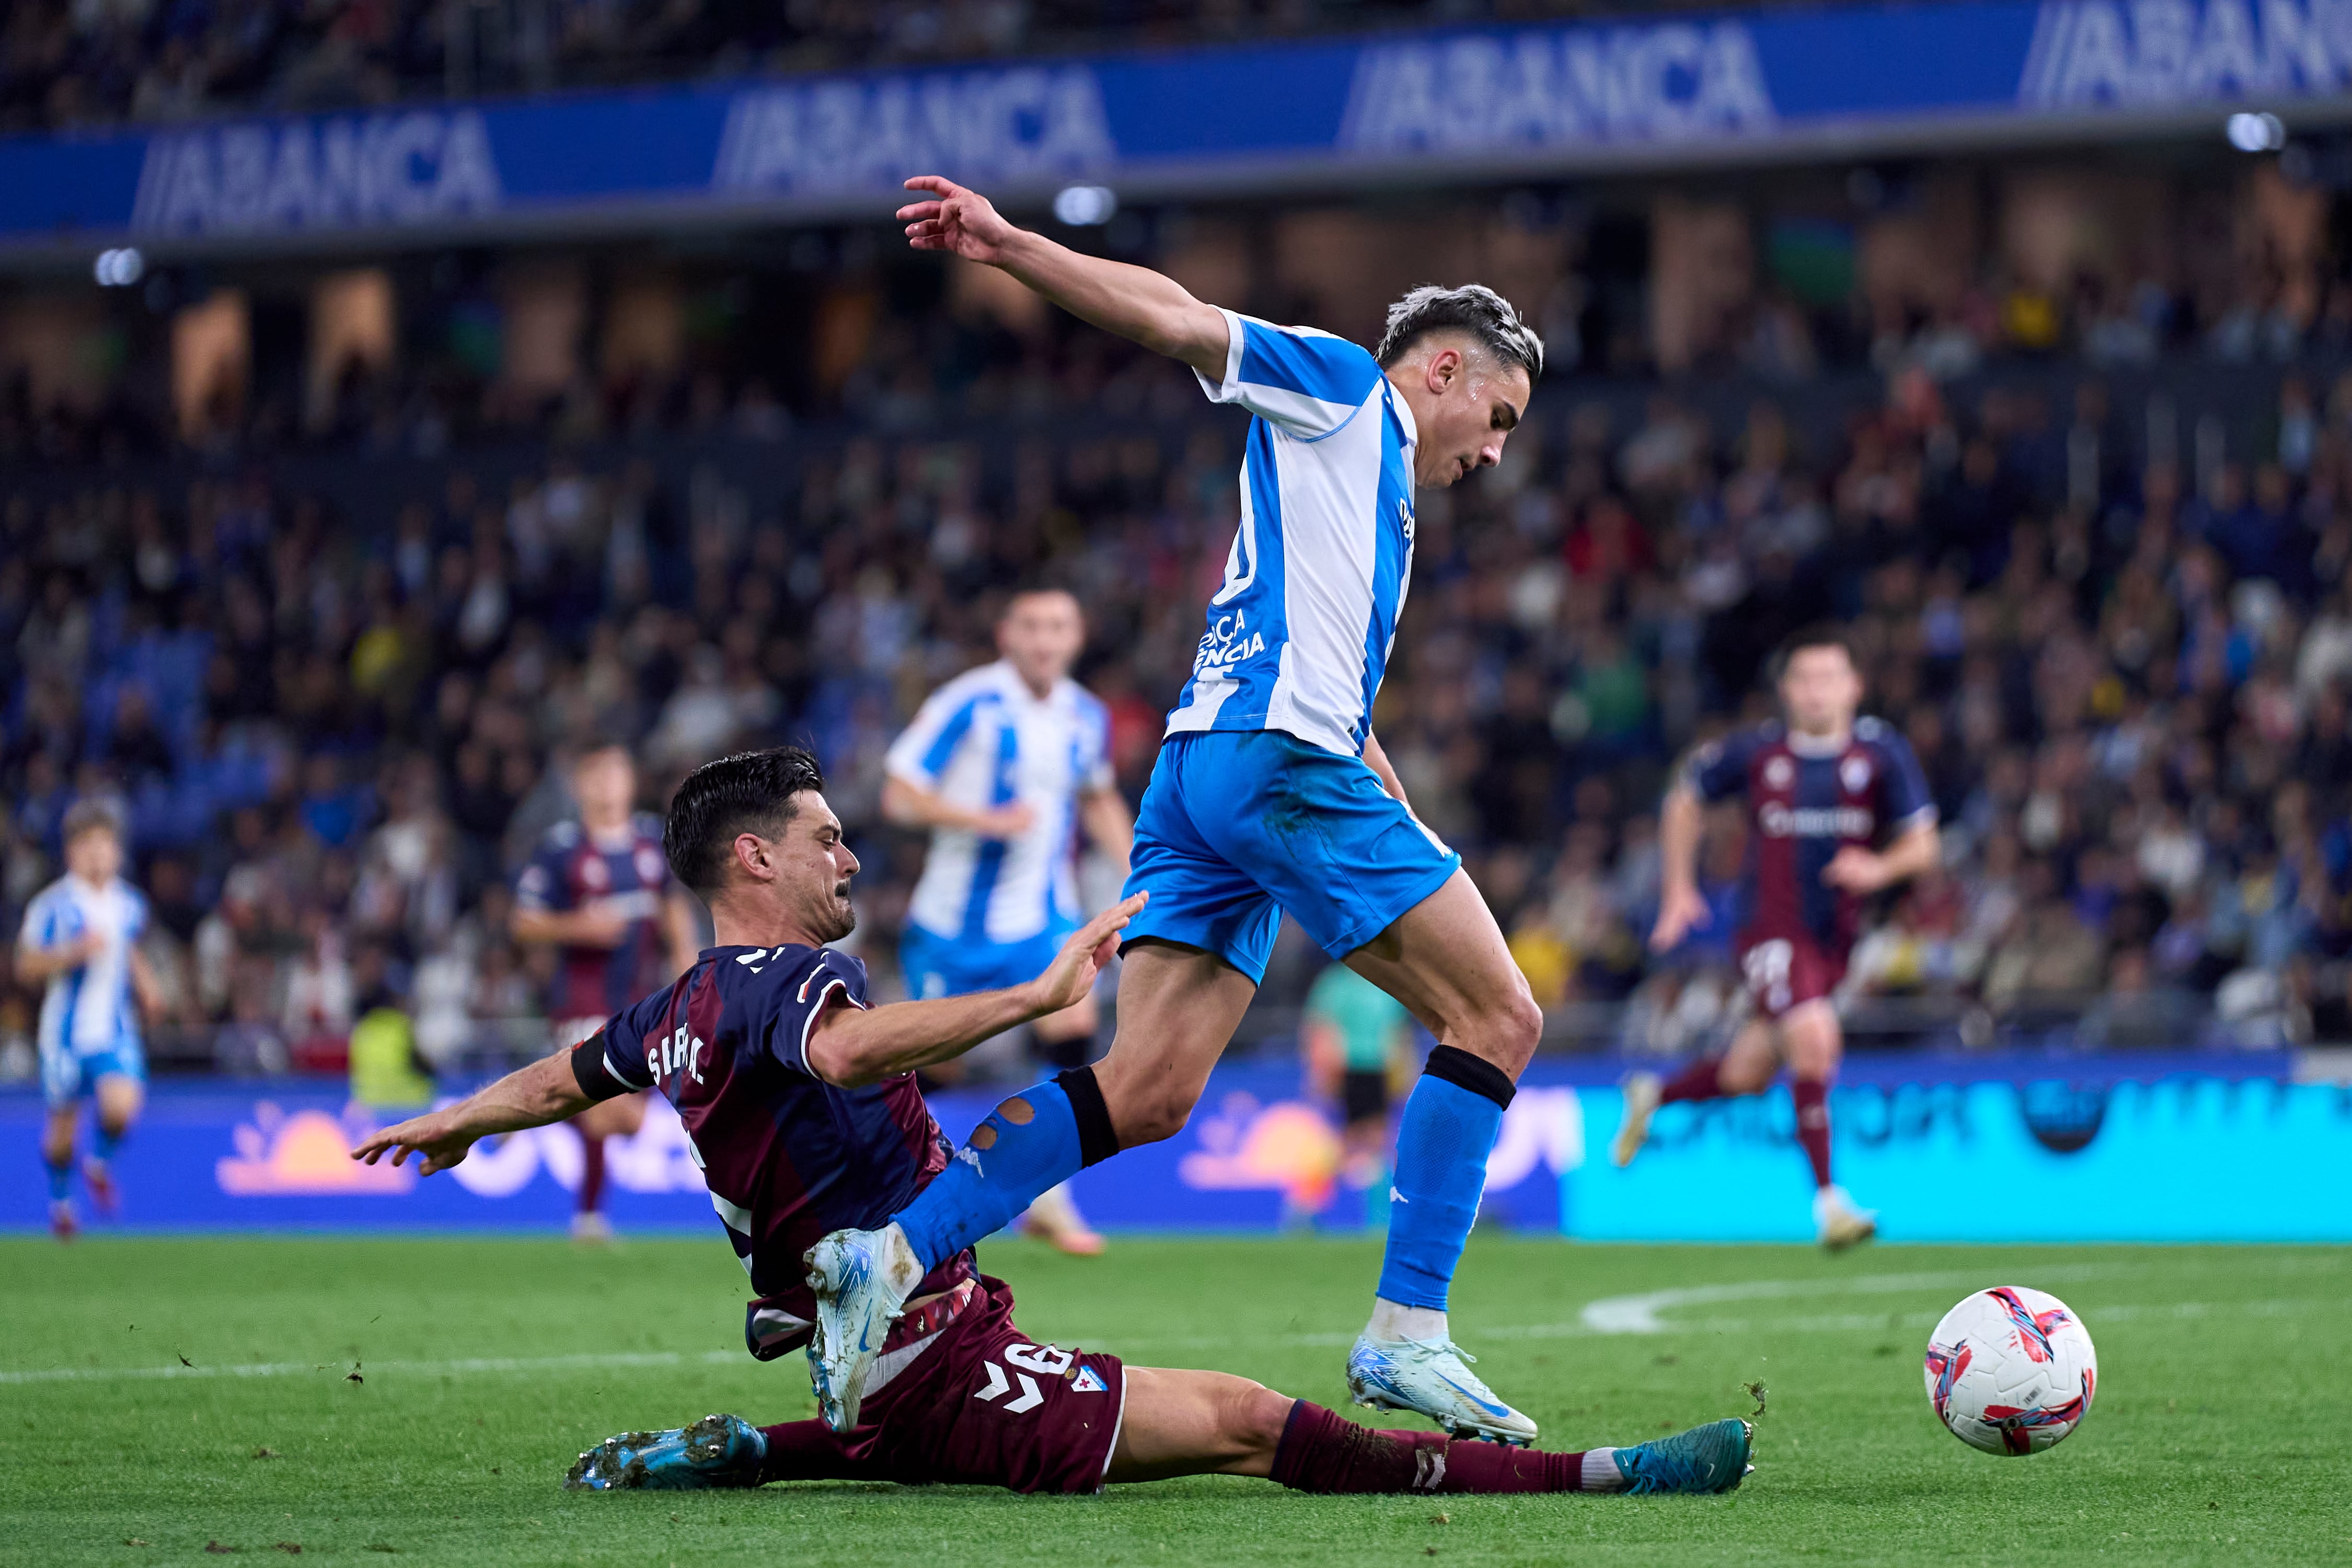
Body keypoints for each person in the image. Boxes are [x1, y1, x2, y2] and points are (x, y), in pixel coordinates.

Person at [352, 748, 1751, 1503]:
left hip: (909, 1353)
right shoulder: (795, 981)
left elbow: (560, 1079)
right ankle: (1594, 1476)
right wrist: (1024, 996)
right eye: (825, 835)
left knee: (913, 1419)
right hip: (929, 1358)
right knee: (1255, 1427)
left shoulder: (675, 1007)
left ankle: (756, 1445)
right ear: (753, 859)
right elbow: (838, 1051)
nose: (849, 853)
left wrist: (459, 1123)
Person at [802, 174, 1551, 1446]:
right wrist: (1009, 245)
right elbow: (1177, 317)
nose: (1494, 447)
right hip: (1272, 765)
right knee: (1499, 1011)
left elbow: (1321, 667)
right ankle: (1405, 1331)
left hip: (1204, 767)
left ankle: (886, 1254)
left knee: (1145, 1088)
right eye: (1498, 412)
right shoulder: (1341, 389)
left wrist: (1382, 780)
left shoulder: (1368, 489)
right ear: (1437, 368)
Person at [1617, 627, 1941, 1250]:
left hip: (1834, 940)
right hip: (1769, 930)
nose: (1817, 692)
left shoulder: (1880, 754)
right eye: (1805, 680)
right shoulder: (1758, 754)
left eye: (1830, 679)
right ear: (1787, 691)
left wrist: (1879, 868)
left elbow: (1923, 845)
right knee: (1816, 1036)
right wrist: (1679, 889)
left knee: (1747, 1072)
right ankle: (1829, 1203)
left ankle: (1654, 1093)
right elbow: (1684, 798)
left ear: (1855, 688)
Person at [882, 585, 1133, 1256]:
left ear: (1076, 637)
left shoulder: (1085, 716)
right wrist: (982, 820)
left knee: (1074, 1025)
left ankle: (1048, 1195)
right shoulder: (968, 703)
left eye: (1059, 626)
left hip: (1042, 917)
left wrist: (1141, 870)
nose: (1045, 640)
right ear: (1006, 635)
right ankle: (886, 1186)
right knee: (931, 1066)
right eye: (1032, 626)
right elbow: (899, 797)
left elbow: (1098, 794)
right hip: (951, 925)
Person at [512, 741, 701, 1241]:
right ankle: (590, 1218)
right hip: (580, 1000)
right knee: (606, 1110)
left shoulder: (649, 843)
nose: (608, 785)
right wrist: (579, 927)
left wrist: (688, 957)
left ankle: (537, 1112)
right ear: (580, 786)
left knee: (625, 1120)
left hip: (638, 1000)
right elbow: (524, 922)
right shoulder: (562, 850)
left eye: (617, 773)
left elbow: (672, 907)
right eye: (597, 775)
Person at [17, 799, 163, 1241]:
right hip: (64, 1035)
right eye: (89, 846)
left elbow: (128, 947)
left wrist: (147, 983)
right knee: (61, 1133)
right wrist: (71, 953)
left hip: (114, 1030)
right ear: (72, 853)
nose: (99, 854)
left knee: (124, 1107)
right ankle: (62, 1203)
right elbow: (24, 967)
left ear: (117, 851)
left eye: (106, 845)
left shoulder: (129, 903)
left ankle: (98, 1162)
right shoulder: (53, 907)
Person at [1300, 961, 1414, 1227]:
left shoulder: (1384, 984)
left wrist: (1404, 1071)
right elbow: (1320, 1029)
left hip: (1378, 1069)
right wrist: (1319, 1071)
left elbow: (1397, 1032)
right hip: (1346, 1069)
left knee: (1369, 1142)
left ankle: (1311, 1209)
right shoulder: (1335, 983)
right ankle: (1310, 1208)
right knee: (1357, 1143)